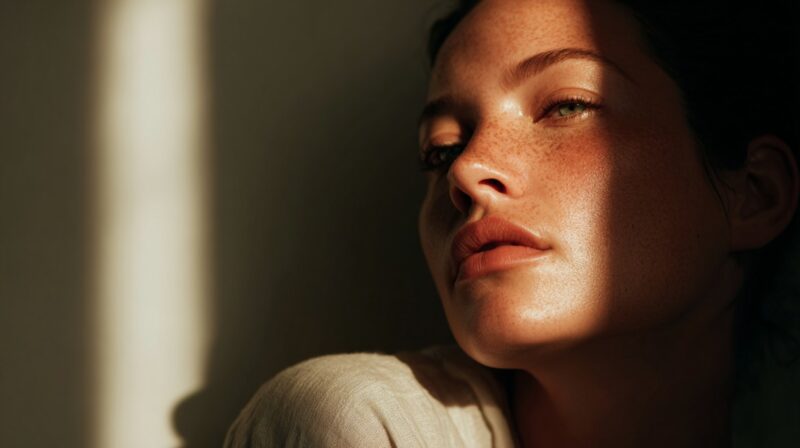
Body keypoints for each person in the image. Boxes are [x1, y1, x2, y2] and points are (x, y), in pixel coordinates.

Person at [225, 0, 800, 446]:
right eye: (440, 149)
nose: (467, 170)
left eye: (566, 106)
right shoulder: (356, 422)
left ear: (754, 194)